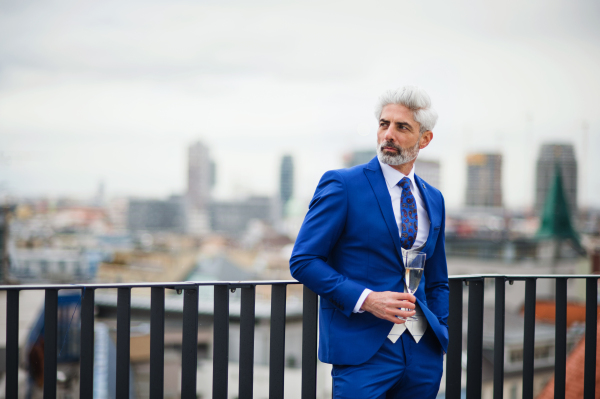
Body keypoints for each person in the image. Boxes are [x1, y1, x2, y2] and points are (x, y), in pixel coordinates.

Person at [290, 86, 449, 398]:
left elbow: (438, 277)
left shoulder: (434, 198)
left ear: (425, 138)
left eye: (402, 127)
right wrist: (367, 299)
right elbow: (304, 261)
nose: (388, 134)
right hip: (363, 352)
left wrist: (440, 330)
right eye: (383, 124)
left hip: (422, 351)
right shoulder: (343, 185)